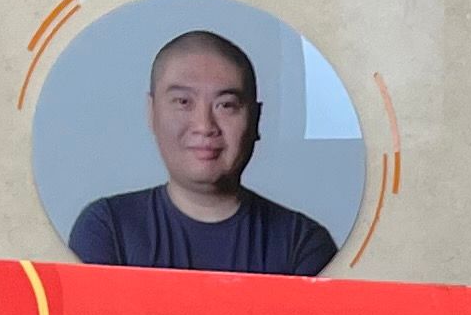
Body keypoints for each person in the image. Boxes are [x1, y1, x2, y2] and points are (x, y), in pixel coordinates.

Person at [65, 27, 339, 275]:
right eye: (183, 102)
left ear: (255, 120)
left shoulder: (301, 243)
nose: (205, 126)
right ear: (152, 113)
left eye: (226, 105)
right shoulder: (108, 229)